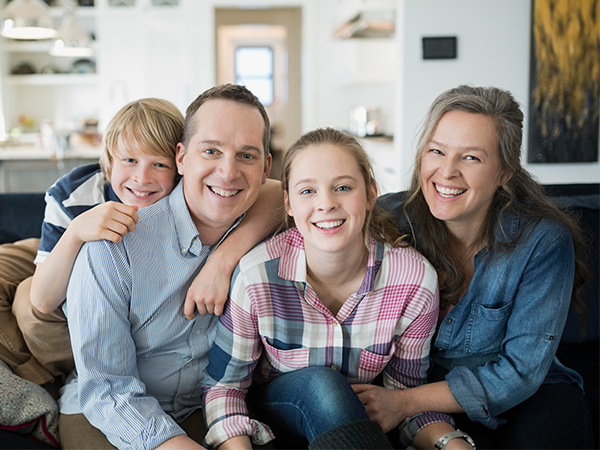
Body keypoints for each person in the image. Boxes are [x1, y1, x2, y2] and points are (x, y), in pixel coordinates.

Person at [202, 127, 473, 450]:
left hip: (357, 425)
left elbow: (405, 396)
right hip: (276, 417)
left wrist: (453, 444)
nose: (326, 204)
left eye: (342, 187)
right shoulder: (256, 276)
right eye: (307, 192)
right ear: (288, 203)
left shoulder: (413, 280)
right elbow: (225, 388)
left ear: (371, 193)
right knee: (323, 385)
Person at [354, 84, 594, 449]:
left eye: (471, 158)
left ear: (505, 172)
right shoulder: (392, 219)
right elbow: (300, 205)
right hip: (421, 390)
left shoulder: (542, 240)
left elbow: (521, 371)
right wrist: (229, 259)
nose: (446, 172)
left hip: (529, 394)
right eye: (436, 151)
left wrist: (403, 403)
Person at [57, 84, 280, 450]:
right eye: (211, 151)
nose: (227, 172)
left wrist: (222, 261)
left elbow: (288, 193)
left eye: (247, 156)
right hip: (108, 412)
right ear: (181, 157)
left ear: (265, 167)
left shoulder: (270, 236)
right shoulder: (113, 248)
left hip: (203, 407)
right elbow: (107, 389)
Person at [10, 98, 183, 394]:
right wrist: (77, 231)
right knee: (25, 295)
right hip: (72, 294)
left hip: (146, 310)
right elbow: (42, 301)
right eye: (129, 160)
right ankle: (69, 376)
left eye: (159, 164)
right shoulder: (72, 194)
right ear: (109, 160)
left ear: (180, 166)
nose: (142, 177)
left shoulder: (187, 193)